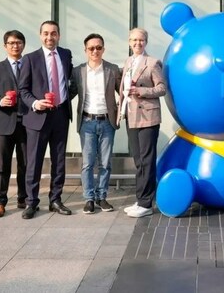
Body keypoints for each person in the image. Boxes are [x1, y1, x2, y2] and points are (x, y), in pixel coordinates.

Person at [18, 20, 74, 219]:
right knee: (34, 161)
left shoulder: (65, 55)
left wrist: (65, 99)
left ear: (59, 35)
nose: (50, 37)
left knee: (59, 160)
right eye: (46, 33)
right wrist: (35, 103)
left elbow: (70, 82)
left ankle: (55, 199)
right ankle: (31, 202)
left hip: (60, 114)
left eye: (54, 33)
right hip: (37, 116)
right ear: (40, 35)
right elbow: (22, 90)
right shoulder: (30, 58)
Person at [70, 33, 122, 214]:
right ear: (85, 50)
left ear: (103, 49)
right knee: (88, 163)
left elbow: (123, 92)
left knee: (105, 163)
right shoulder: (78, 71)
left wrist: (121, 109)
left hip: (107, 122)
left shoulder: (112, 69)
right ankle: (89, 199)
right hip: (87, 122)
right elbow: (69, 93)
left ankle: (102, 197)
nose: (95, 51)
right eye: (91, 48)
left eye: (98, 47)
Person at [118, 28, 166, 218]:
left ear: (146, 42)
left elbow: (162, 88)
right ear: (129, 42)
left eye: (141, 40)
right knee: (139, 161)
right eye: (134, 40)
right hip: (131, 116)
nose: (137, 43)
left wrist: (141, 91)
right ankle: (140, 199)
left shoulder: (152, 63)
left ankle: (146, 203)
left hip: (148, 117)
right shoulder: (128, 62)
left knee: (147, 160)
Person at [0, 30, 28, 218]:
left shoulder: (30, 65)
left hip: (27, 121)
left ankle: (23, 198)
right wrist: (0, 101)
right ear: (5, 46)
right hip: (5, 122)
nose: (15, 46)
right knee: (2, 165)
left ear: (23, 45)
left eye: (18, 42)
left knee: (25, 163)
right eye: (11, 43)